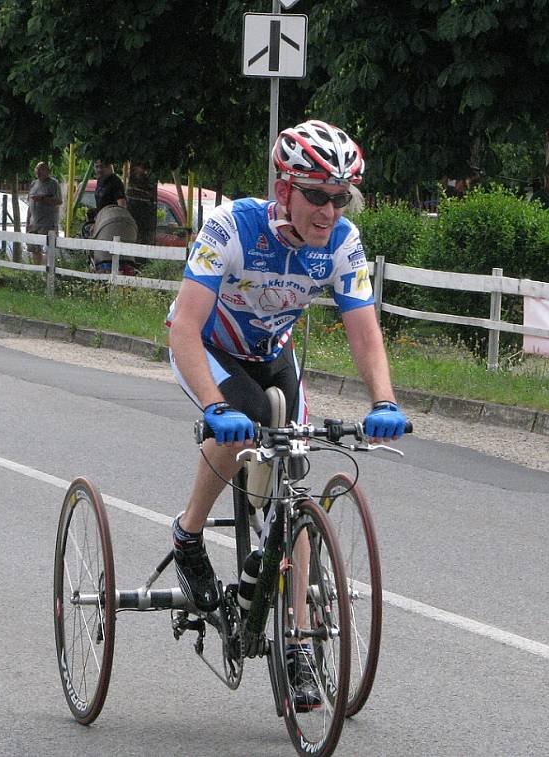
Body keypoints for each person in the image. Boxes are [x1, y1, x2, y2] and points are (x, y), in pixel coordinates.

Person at [167, 119, 407, 708]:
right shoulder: (231, 228)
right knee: (238, 426)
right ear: (285, 191)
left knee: (294, 485)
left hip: (275, 358)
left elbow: (365, 332)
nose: (329, 210)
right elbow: (184, 329)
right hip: (213, 352)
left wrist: (383, 400)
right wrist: (215, 407)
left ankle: (297, 642)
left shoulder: (342, 243)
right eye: (318, 196)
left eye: (340, 197)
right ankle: (189, 534)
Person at [26, 162, 62, 265]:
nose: (38, 171)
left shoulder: (53, 183)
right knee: (34, 249)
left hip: (48, 223)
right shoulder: (34, 183)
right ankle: (37, 272)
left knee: (49, 248)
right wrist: (28, 221)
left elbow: (58, 201)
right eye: (37, 169)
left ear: (48, 171)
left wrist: (43, 199)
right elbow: (30, 204)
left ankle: (47, 272)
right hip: (34, 223)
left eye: (41, 169)